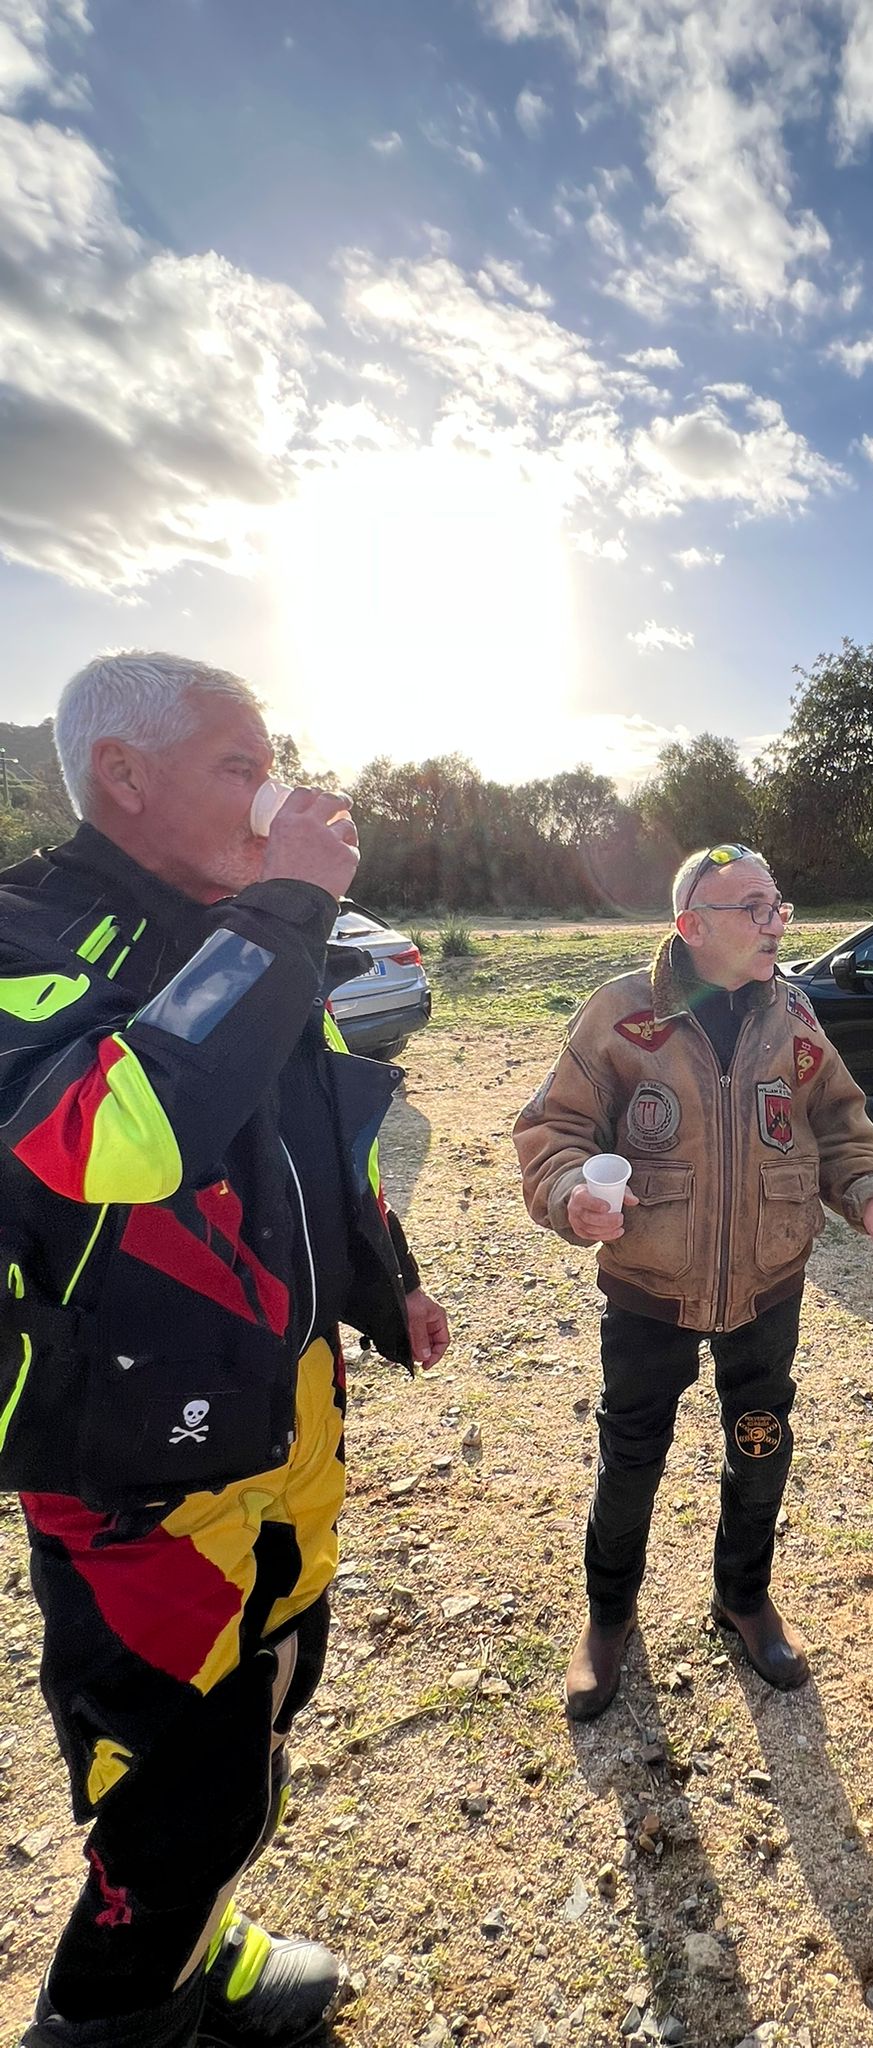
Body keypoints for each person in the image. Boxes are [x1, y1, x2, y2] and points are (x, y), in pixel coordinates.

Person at [0, 653, 450, 2048]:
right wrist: (291, 904)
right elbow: (120, 1140)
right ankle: (107, 2015)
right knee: (171, 1783)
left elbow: (315, 1138)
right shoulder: (25, 932)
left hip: (284, 1411)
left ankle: (202, 1948)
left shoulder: (242, 932)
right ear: (124, 776)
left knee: (267, 1697)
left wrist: (387, 1283)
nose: (274, 800)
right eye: (241, 769)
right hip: (133, 1456)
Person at [515, 843, 873, 1719]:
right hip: (649, 1287)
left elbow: (839, 1128)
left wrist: (871, 1192)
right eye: (752, 907)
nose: (774, 921)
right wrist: (569, 1195)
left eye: (777, 903)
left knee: (760, 1440)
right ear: (691, 926)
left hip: (766, 1285)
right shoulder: (621, 1015)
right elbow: (555, 1130)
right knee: (631, 1454)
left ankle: (743, 1598)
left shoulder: (795, 1016)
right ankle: (608, 1616)